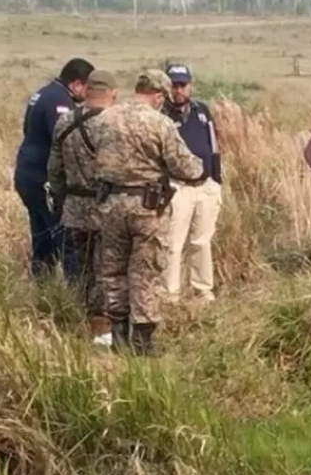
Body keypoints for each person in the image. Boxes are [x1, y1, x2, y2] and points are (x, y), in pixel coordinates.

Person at [92, 70, 205, 355]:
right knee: (145, 273)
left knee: (113, 271)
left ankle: (117, 337)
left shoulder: (105, 118)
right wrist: (201, 169)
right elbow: (185, 167)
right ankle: (142, 342)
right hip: (147, 209)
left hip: (111, 206)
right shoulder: (161, 123)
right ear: (157, 95)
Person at [48, 69, 118, 347]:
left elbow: (54, 169)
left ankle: (83, 318)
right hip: (107, 208)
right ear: (111, 92)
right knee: (108, 268)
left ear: (87, 90)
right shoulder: (113, 123)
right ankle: (103, 329)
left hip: (75, 208)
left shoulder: (65, 121)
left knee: (84, 266)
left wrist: (61, 199)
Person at [13, 58, 95, 277]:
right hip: (43, 178)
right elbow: (64, 140)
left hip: (27, 173)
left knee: (42, 235)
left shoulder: (43, 93)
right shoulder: (60, 103)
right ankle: (72, 292)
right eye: (88, 89)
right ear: (77, 84)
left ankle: (42, 283)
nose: (87, 95)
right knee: (63, 236)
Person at [160, 63, 222, 303]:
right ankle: (170, 293)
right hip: (178, 186)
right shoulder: (161, 116)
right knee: (173, 244)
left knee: (202, 241)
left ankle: (202, 289)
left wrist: (216, 182)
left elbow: (214, 147)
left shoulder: (202, 111)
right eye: (174, 85)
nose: (178, 91)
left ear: (190, 85)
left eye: (182, 85)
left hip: (205, 186)